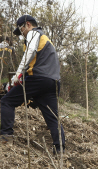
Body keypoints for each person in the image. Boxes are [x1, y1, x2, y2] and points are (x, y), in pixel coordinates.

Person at [1, 15, 65, 152]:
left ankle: (6, 139)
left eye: (21, 30)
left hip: (38, 79)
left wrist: (16, 77)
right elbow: (39, 65)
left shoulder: (34, 33)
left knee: (7, 101)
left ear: (28, 24)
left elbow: (29, 53)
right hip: (53, 82)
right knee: (53, 116)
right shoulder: (47, 41)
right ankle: (60, 149)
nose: (22, 35)